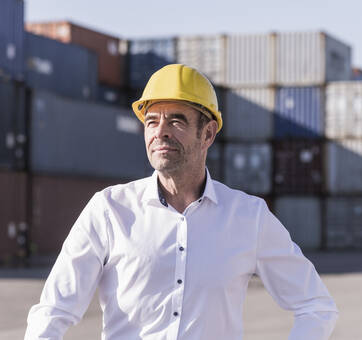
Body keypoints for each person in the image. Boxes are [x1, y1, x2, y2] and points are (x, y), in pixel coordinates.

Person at [25, 64, 338, 339]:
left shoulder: (248, 217)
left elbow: (316, 306)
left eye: (176, 121)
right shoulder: (108, 210)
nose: (160, 132)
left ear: (208, 134)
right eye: (151, 121)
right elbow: (53, 310)